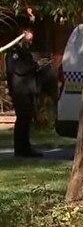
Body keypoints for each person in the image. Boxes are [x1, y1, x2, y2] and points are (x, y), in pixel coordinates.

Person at [4, 24, 46, 158]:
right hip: (19, 92)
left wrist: (39, 67)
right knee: (22, 119)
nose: (31, 42)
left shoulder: (25, 52)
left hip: (28, 91)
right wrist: (36, 65)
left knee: (26, 119)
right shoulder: (14, 52)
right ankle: (20, 149)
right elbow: (19, 69)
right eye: (29, 38)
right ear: (22, 35)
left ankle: (25, 147)